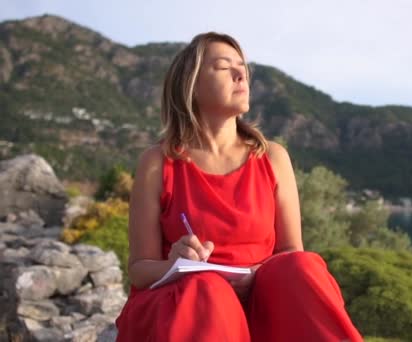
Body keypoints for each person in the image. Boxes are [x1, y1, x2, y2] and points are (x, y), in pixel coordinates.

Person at [114, 32, 363, 342]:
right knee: (208, 289)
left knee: (303, 266)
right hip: (189, 305)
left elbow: (289, 253)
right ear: (190, 85)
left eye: (242, 66)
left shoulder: (272, 157)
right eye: (223, 66)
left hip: (260, 299)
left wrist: (255, 275)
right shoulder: (157, 162)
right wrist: (175, 264)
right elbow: (139, 269)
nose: (240, 73)